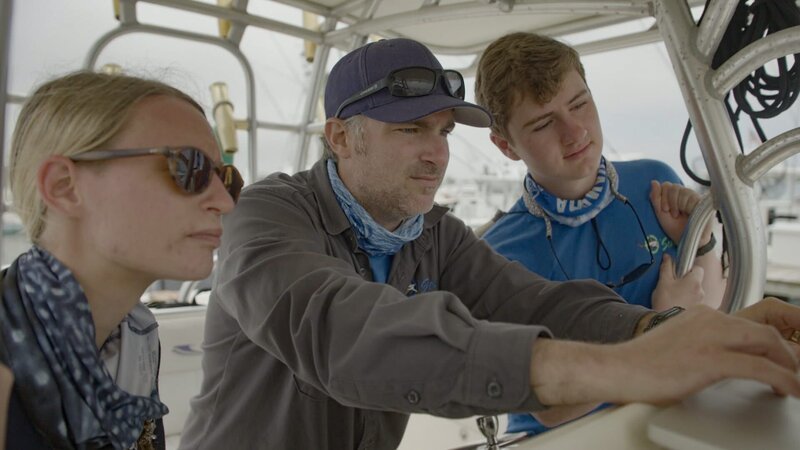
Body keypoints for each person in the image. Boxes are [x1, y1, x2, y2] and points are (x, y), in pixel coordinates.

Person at [180, 38, 800, 450]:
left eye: (445, 130)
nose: (437, 154)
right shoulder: (266, 215)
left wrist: (670, 330)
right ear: (340, 137)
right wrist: (629, 366)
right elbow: (344, 336)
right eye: (411, 130)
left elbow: (540, 304)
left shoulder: (433, 236)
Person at [474, 32, 726, 435]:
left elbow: (711, 306)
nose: (575, 133)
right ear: (506, 145)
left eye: (580, 104)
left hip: (671, 417)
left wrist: (703, 244)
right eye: (543, 123)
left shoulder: (656, 184)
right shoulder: (499, 255)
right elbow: (553, 409)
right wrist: (663, 324)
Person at [0, 71, 241, 449]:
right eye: (189, 167)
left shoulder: (136, 337)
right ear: (64, 186)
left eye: (226, 178)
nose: (224, 202)